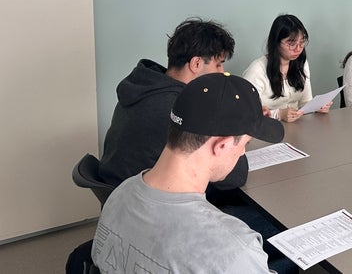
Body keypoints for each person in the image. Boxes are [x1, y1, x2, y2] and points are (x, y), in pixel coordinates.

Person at [91, 72, 286, 273]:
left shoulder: (119, 194)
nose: (243, 151)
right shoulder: (235, 251)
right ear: (222, 145)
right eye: (246, 143)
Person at [98, 17, 243, 189]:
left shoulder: (144, 87)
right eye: (218, 65)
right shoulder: (179, 108)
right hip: (152, 207)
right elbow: (235, 175)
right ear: (196, 63)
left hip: (124, 198)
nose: (222, 73)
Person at [243, 14, 331, 122]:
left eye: (302, 42)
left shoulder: (301, 64)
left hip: (295, 128)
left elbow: (305, 102)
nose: (298, 49)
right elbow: (245, 112)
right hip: (264, 130)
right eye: (292, 43)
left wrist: (317, 106)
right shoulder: (257, 70)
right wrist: (278, 114)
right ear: (276, 42)